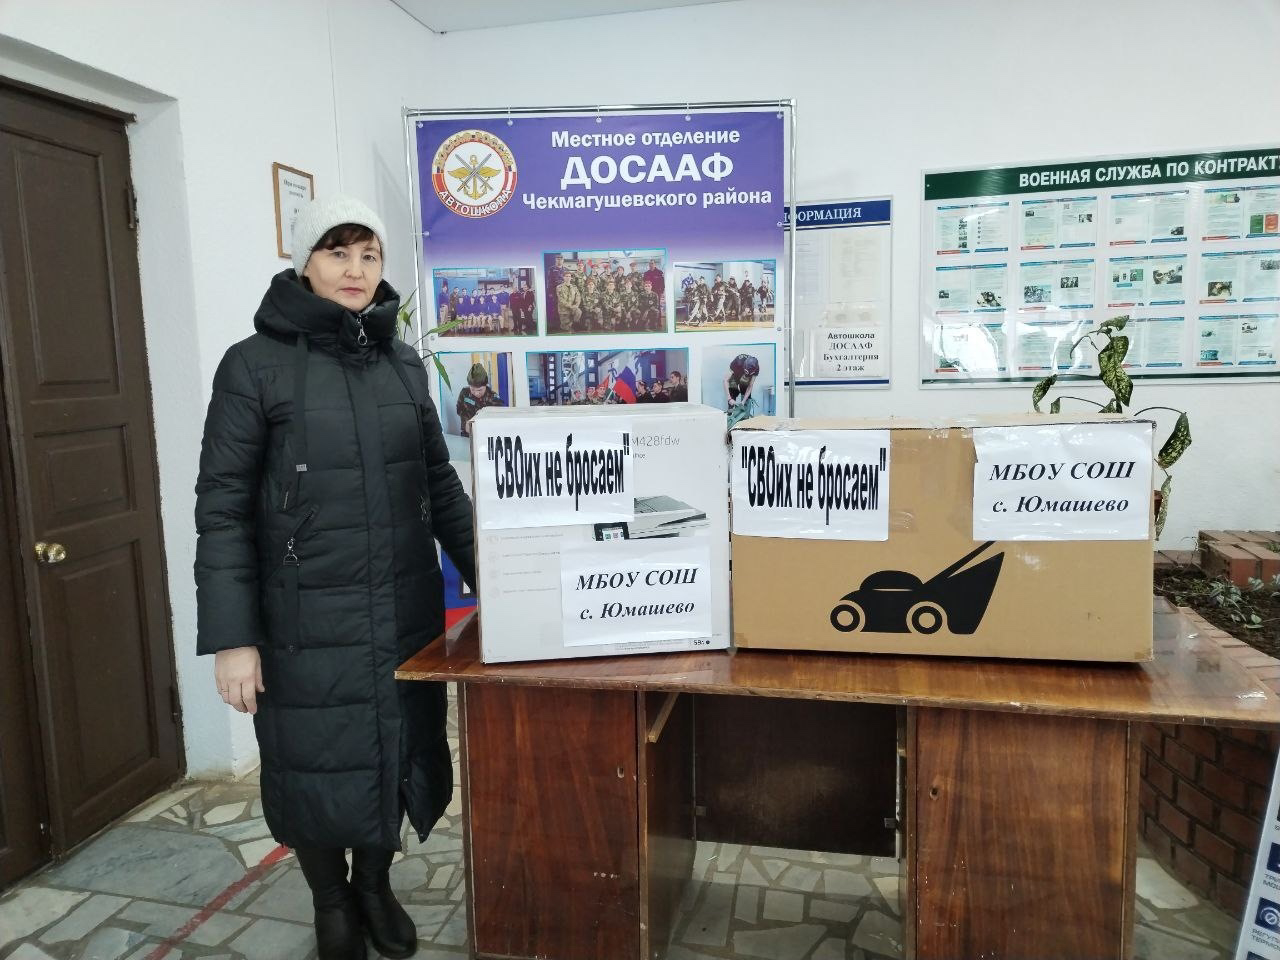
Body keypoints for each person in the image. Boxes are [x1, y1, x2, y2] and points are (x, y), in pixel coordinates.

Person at [195, 195, 474, 960]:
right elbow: (222, 509)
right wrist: (233, 639)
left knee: (394, 754)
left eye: (369, 253)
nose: (355, 269)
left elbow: (440, 485)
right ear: (304, 262)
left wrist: (500, 582)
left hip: (403, 609)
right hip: (303, 622)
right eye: (337, 251)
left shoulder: (402, 362)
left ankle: (375, 886)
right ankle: (331, 900)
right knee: (314, 765)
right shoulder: (253, 365)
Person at [456, 363, 504, 437]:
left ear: (486, 385)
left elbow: (499, 418)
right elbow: (459, 409)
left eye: (480, 390)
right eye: (472, 389)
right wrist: (466, 422)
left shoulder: (493, 397)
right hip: (467, 434)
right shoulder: (464, 393)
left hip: (486, 435)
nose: (476, 393)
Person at [725, 353, 761, 427]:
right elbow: (725, 380)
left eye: (750, 373)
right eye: (747, 372)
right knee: (733, 389)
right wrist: (729, 399)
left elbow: (750, 385)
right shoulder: (737, 362)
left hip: (745, 378)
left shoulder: (756, 368)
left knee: (745, 392)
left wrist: (743, 402)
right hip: (735, 375)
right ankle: (730, 417)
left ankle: (744, 420)